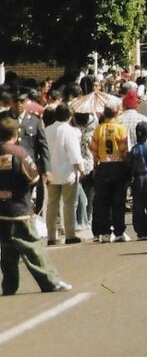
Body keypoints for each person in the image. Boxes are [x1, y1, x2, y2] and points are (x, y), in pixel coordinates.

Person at [0, 117, 72, 295]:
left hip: (2, 209)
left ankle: (9, 286)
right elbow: (33, 176)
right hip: (20, 208)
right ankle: (50, 281)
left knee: (8, 250)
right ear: (16, 134)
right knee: (33, 247)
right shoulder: (19, 152)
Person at [43, 103, 85, 245]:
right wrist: (81, 169)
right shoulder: (69, 131)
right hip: (68, 173)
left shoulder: (47, 130)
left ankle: (51, 237)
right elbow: (74, 153)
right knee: (69, 204)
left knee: (52, 204)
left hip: (51, 172)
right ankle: (70, 234)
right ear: (69, 116)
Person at [89, 105, 130, 242]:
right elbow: (124, 149)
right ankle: (119, 232)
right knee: (119, 200)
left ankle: (105, 232)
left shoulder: (98, 129)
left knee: (103, 201)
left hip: (103, 166)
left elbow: (93, 150)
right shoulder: (120, 128)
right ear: (116, 114)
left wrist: (97, 163)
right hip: (118, 165)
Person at [4, 91, 49, 214]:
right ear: (11, 102)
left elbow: (43, 145)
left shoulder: (34, 120)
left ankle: (26, 219)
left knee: (26, 195)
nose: (18, 105)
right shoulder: (3, 118)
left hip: (27, 166)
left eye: (21, 102)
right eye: (15, 102)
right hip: (6, 165)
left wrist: (47, 168)